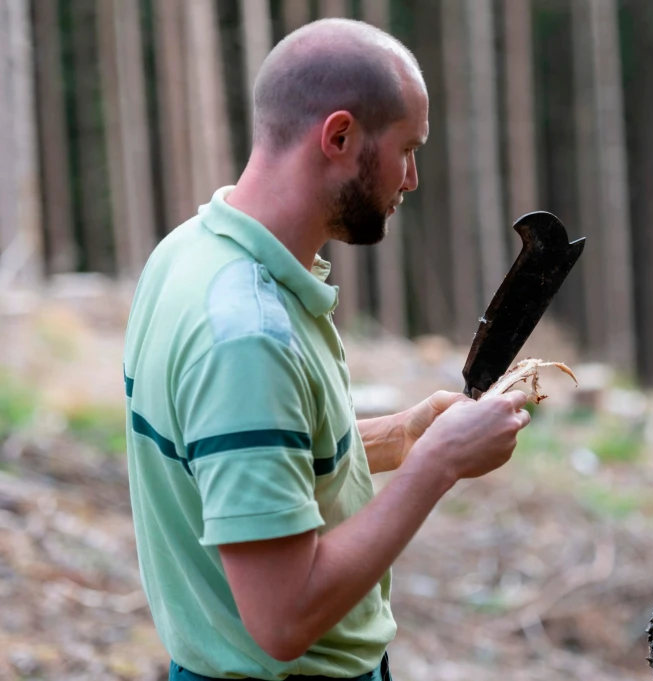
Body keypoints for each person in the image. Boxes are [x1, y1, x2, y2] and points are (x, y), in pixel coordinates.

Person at [122, 18, 531, 681]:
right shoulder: (247, 335)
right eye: (407, 148)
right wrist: (438, 463)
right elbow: (283, 618)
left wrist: (401, 435)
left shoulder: (188, 253)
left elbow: (243, 467)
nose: (413, 178)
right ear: (339, 137)